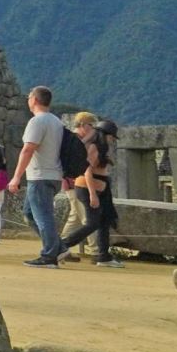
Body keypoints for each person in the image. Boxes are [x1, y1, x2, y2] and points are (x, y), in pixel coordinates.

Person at [7, 85, 66, 268]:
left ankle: (49, 256)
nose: (28, 101)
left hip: (40, 176)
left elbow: (28, 150)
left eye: (29, 97)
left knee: (42, 216)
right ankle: (59, 247)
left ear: (35, 100)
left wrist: (16, 176)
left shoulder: (37, 122)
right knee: (29, 213)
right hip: (53, 174)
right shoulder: (57, 121)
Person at [58, 114, 124, 267]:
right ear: (105, 135)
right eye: (111, 137)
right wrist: (93, 194)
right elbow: (87, 170)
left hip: (101, 187)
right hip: (87, 188)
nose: (112, 140)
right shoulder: (94, 147)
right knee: (92, 223)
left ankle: (103, 256)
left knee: (104, 221)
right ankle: (62, 245)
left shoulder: (102, 148)